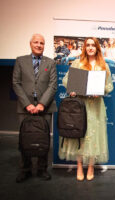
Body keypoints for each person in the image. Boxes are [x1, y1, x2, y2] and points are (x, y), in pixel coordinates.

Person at [59, 37, 114, 181]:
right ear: (84, 48)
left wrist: (101, 90)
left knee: (94, 136)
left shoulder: (103, 65)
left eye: (93, 45)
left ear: (97, 48)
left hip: (96, 106)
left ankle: (90, 167)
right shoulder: (78, 63)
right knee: (80, 136)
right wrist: (72, 89)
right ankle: (79, 166)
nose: (90, 47)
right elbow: (66, 80)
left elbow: (110, 86)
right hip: (80, 106)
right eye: (87, 45)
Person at [12, 33, 57, 183]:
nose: (39, 45)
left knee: (43, 139)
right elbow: (16, 83)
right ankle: (25, 169)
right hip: (25, 108)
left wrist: (42, 104)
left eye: (42, 43)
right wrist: (28, 104)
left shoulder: (50, 63)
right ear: (30, 44)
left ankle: (42, 169)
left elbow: (53, 85)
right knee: (25, 138)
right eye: (36, 42)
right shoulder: (20, 61)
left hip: (45, 107)